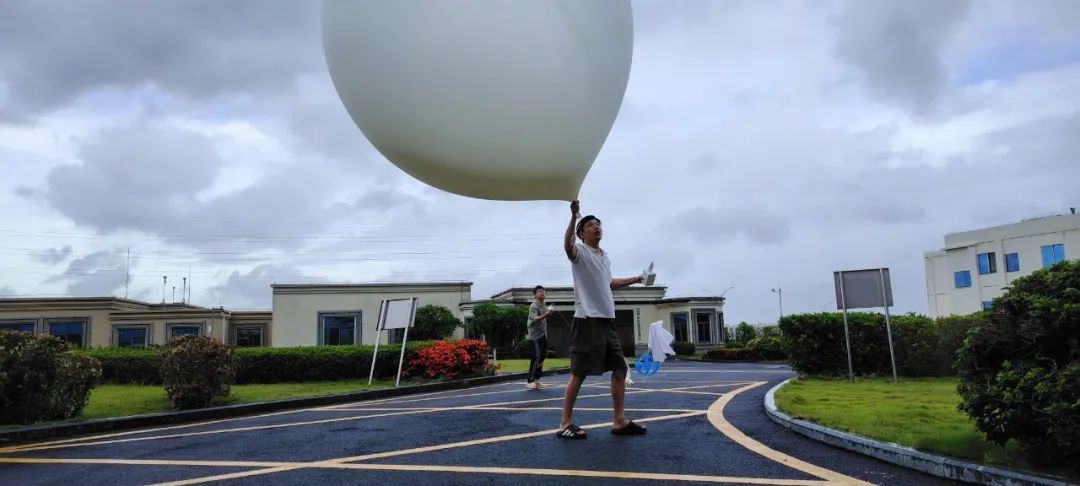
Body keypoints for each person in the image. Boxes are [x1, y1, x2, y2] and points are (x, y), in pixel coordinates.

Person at [556, 200, 647, 439]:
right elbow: (567, 247)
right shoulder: (580, 252)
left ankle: (619, 420)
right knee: (579, 372)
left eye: (599, 224)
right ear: (581, 233)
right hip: (587, 319)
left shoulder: (604, 256)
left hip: (607, 320)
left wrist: (637, 278)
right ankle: (565, 423)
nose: (597, 227)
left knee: (619, 368)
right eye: (591, 225)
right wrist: (574, 216)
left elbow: (609, 283)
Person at [525, 285, 553, 390]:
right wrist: (546, 315)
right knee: (536, 357)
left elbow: (545, 316)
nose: (542, 293)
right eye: (539, 291)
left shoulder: (544, 304)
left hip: (542, 335)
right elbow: (536, 319)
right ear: (535, 294)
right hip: (534, 336)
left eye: (543, 291)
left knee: (542, 357)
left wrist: (549, 313)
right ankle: (530, 381)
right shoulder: (533, 306)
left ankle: (537, 380)